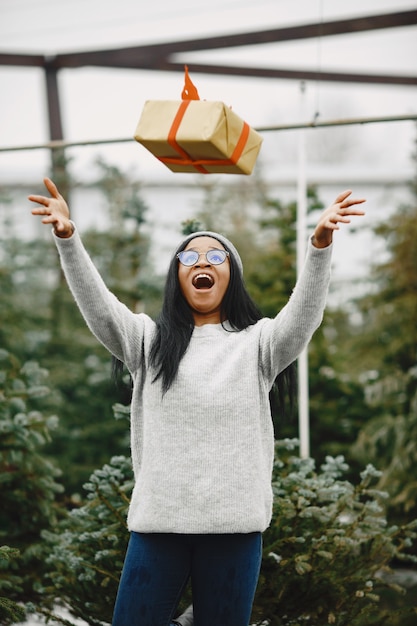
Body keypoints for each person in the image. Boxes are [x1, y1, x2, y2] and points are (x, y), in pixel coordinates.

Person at [29, 178, 365, 626]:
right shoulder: (148, 341)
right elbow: (101, 308)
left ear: (231, 274)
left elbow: (303, 316)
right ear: (177, 276)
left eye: (214, 256)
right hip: (159, 526)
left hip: (234, 529)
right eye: (189, 257)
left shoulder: (259, 344)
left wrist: (319, 246)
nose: (200, 263)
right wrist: (68, 239)